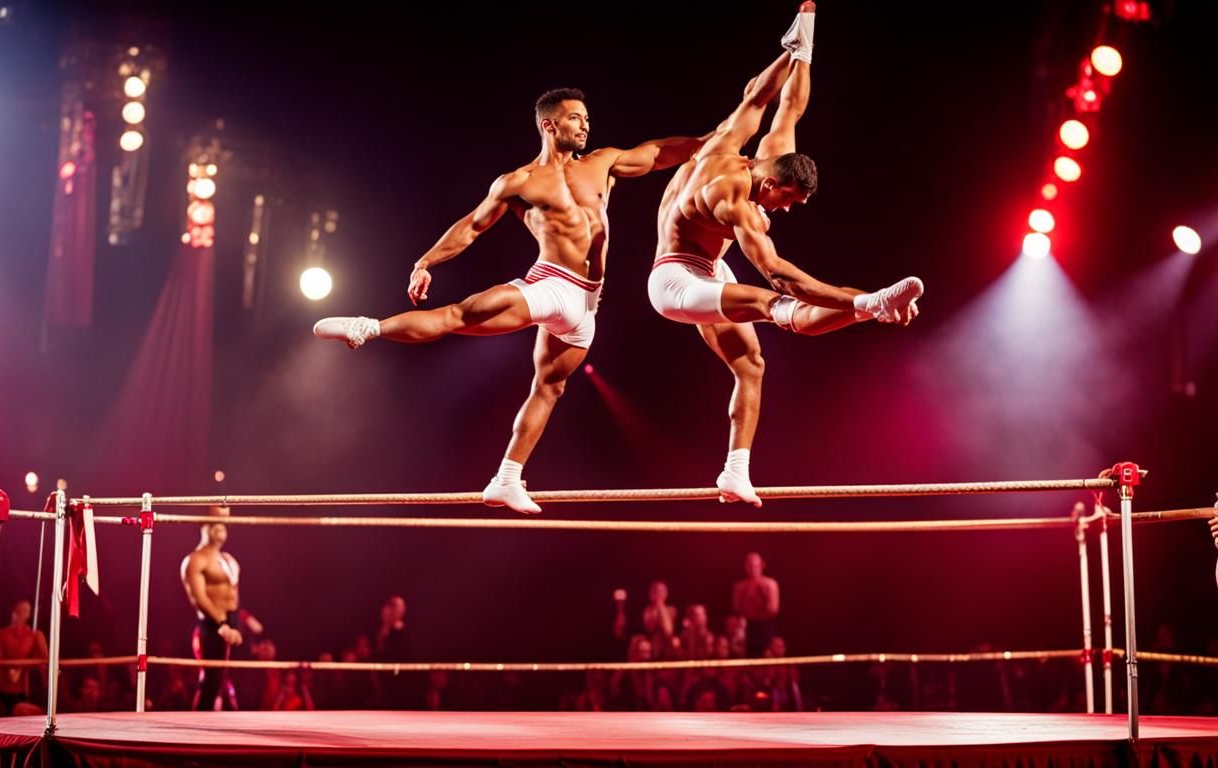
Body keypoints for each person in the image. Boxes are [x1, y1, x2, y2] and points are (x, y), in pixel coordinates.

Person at [314, 88, 708, 514]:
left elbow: (659, 153)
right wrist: (426, 261)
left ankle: (506, 478)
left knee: (550, 388)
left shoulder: (603, 163)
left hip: (587, 305)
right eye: (576, 118)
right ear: (550, 125)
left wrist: (718, 141)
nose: (585, 125)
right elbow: (472, 226)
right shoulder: (519, 182)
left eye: (587, 118)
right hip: (551, 284)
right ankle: (367, 327)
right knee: (457, 316)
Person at [649, 3, 924, 504]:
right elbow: (780, 276)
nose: (788, 210)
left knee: (751, 364)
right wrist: (858, 301)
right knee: (772, 303)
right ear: (771, 184)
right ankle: (872, 305)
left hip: (708, 269)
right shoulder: (732, 199)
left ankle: (734, 473)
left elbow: (774, 100)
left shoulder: (742, 148)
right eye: (789, 201)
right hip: (675, 282)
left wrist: (801, 51)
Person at [180, 505, 263, 710]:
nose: (222, 527)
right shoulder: (195, 560)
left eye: (224, 523)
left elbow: (233, 595)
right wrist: (222, 623)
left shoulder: (228, 560)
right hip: (213, 623)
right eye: (216, 522)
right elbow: (199, 598)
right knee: (212, 678)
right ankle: (200, 721)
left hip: (233, 620)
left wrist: (240, 620)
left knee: (236, 676)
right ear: (204, 524)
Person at [0, 598, 48, 716]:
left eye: (28, 610)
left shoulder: (34, 635)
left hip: (26, 687)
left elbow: (44, 659)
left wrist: (23, 665)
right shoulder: (1, 634)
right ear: (14, 611)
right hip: (4, 686)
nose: (27, 613)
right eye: (24, 609)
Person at [732, 552, 780, 658]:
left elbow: (773, 610)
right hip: (747, 629)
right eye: (749, 565)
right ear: (745, 567)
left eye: (755, 566)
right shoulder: (740, 587)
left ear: (762, 565)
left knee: (767, 656)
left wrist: (763, 601)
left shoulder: (770, 584)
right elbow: (737, 609)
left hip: (766, 628)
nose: (752, 569)